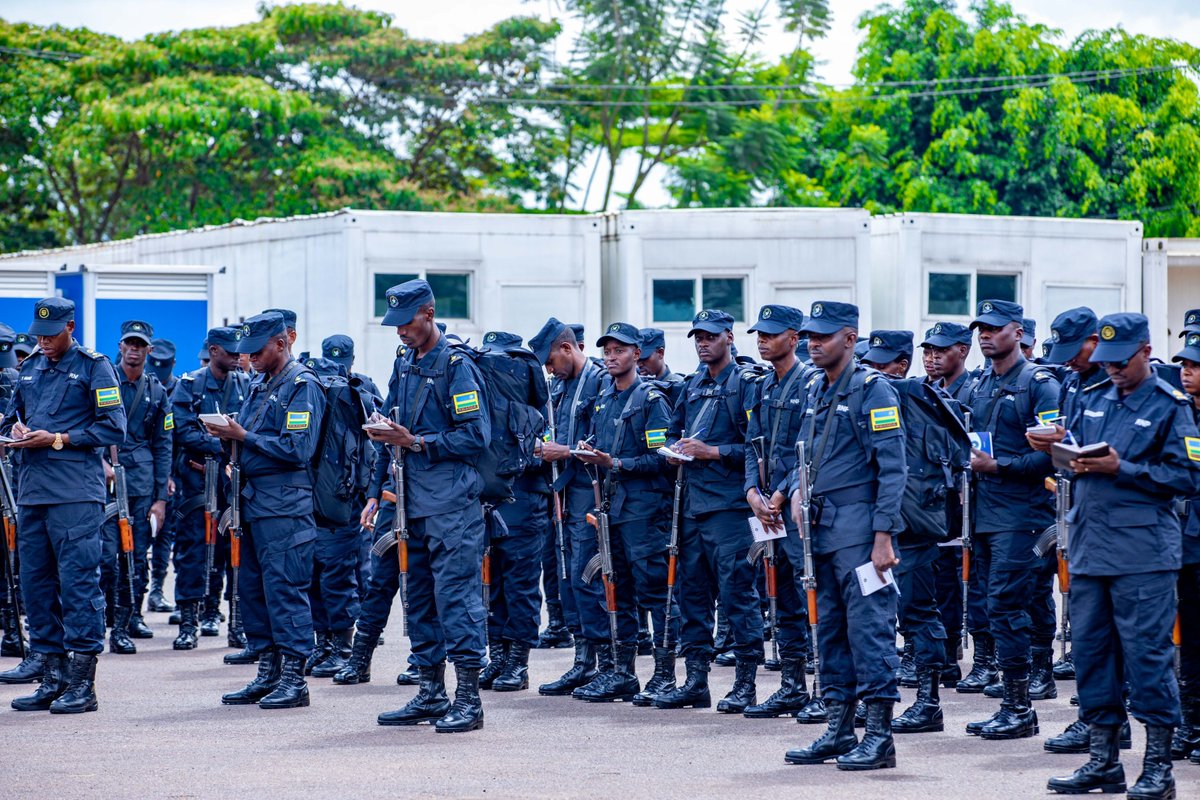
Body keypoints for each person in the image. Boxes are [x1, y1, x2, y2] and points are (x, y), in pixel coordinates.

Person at [1043, 312, 1198, 798]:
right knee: (1091, 657)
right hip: (1090, 546)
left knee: (1148, 659)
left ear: (1146, 351)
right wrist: (1059, 452)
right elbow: (1080, 460)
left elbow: (1187, 477)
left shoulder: (1172, 405)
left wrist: (1122, 467)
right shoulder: (1093, 398)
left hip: (1143, 553)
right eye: (1107, 361)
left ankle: (1157, 769)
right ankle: (1103, 760)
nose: (1112, 369)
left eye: (1122, 360)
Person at [361, 279, 491, 732]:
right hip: (410, 502)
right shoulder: (406, 361)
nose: (400, 331)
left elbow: (476, 436)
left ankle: (469, 701)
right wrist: (378, 485)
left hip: (452, 503)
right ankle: (431, 693)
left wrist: (416, 442)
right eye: (394, 323)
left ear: (429, 313)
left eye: (407, 322)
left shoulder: (457, 366)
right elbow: (394, 421)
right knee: (418, 600)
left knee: (456, 599)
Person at [782, 301, 906, 770]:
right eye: (810, 336)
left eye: (824, 336)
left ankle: (879, 735)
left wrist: (883, 536)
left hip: (859, 530)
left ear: (850, 339)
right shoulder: (815, 386)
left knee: (870, 630)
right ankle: (839, 728)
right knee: (829, 629)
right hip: (820, 529)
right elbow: (803, 455)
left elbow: (893, 471)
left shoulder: (874, 390)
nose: (814, 344)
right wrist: (794, 489)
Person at [5, 297, 127, 714]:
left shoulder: (95, 367)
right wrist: (16, 428)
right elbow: (10, 418)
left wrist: (57, 438)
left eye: (52, 334)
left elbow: (114, 426)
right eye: (39, 335)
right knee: (35, 585)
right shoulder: (29, 368)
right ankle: (51, 676)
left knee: (77, 585)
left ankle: (82, 684)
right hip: (33, 491)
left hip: (76, 494)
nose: (45, 342)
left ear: (70, 327)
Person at [208, 312, 325, 710]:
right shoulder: (260, 383)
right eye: (247, 351)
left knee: (284, 590)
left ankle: (294, 678)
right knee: (253, 591)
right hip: (254, 502)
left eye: (258, 349)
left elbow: (298, 449)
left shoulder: (302, 385)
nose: (250, 357)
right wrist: (229, 435)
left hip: (286, 506)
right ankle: (268, 671)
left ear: (284, 342)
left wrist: (243, 435)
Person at [862, 330, 969, 735]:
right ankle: (878, 700)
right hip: (879, 522)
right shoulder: (872, 395)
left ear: (900, 365)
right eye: (868, 363)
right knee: (878, 617)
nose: (871, 372)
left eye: (880, 364)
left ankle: (929, 702)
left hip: (914, 525)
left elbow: (957, 454)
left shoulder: (917, 399)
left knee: (919, 613)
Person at [653, 310, 760, 712]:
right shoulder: (693, 384)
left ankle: (746, 683)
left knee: (736, 595)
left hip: (730, 508)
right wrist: (675, 449)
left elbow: (755, 446)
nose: (703, 343)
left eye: (711, 337)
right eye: (698, 336)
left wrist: (711, 451)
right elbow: (671, 430)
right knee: (691, 594)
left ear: (729, 338)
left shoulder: (744, 383)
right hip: (692, 505)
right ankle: (696, 680)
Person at [962, 300, 1060, 740]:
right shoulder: (982, 383)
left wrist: (998, 467)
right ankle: (1012, 702)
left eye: (995, 328)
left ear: (1017, 332)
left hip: (1022, 516)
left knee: (1007, 605)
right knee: (990, 606)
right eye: (981, 328)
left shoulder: (1039, 384)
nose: (985, 335)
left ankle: (1020, 707)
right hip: (984, 513)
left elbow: (1052, 457)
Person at [571, 322, 677, 702]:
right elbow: (602, 446)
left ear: (637, 354)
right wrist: (590, 452)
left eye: (620, 350)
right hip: (611, 508)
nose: (611, 357)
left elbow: (663, 460)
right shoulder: (604, 399)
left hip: (645, 510)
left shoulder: (650, 400)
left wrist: (615, 462)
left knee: (653, 589)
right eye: (608, 351)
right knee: (615, 587)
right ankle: (622, 672)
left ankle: (665, 674)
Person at [740, 304, 821, 722]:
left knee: (813, 596)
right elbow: (755, 444)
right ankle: (792, 685)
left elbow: (807, 449)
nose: (762, 341)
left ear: (795, 338)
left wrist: (782, 492)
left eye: (771, 334)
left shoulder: (810, 382)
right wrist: (753, 490)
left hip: (796, 507)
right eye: (759, 334)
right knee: (783, 599)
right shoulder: (763, 386)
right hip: (768, 507)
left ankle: (825, 687)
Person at [529, 317, 609, 697]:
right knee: (566, 580)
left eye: (550, 360)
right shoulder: (559, 386)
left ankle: (608, 663)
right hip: (563, 493)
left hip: (592, 492)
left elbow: (604, 440)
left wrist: (565, 451)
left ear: (566, 348)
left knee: (588, 577)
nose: (548, 369)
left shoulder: (600, 379)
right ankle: (583, 660)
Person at [169, 328, 250, 653]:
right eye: (230, 351)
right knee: (193, 550)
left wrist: (226, 441)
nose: (236, 356)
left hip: (233, 480)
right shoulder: (189, 385)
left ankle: (236, 623)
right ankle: (189, 622)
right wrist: (224, 442)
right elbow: (183, 431)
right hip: (196, 479)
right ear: (213, 350)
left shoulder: (245, 383)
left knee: (235, 550)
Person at [100, 321, 172, 655]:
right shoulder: (102, 380)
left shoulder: (156, 391)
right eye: (129, 343)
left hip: (141, 484)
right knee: (106, 557)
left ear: (148, 350)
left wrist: (160, 499)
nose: (134, 349)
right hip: (105, 481)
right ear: (120, 346)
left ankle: (129, 620)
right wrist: (98, 463)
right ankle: (106, 616)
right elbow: (86, 426)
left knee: (136, 557)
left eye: (140, 345)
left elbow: (163, 445)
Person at [1172, 329, 1200, 763]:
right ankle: (1190, 724)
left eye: (1194, 366)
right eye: (1184, 364)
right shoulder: (1177, 414)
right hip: (1184, 542)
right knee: (1190, 639)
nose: (1186, 372)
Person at [146, 338, 179, 615]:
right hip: (143, 472)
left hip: (172, 473)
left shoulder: (179, 388)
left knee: (165, 534)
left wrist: (168, 475)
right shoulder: (142, 385)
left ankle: (157, 588)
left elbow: (172, 440)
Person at [638, 327, 687, 406]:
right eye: (637, 358)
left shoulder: (679, 386)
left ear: (660, 353)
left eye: (644, 358)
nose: (639, 364)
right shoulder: (634, 384)